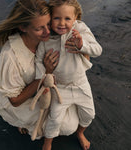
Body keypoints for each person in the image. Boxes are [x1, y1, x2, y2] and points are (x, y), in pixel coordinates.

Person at [0, 0, 80, 142]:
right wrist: (46, 74)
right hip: (19, 101)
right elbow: (15, 101)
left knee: (75, 111)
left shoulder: (49, 35)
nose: (48, 31)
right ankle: (19, 121)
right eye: (39, 28)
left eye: (48, 24)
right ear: (23, 27)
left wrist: (80, 47)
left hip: (43, 89)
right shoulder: (10, 57)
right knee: (68, 126)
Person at [35, 0, 102, 150]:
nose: (62, 23)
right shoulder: (46, 40)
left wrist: (82, 46)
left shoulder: (80, 30)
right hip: (60, 88)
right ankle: (48, 143)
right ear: (50, 18)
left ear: (76, 18)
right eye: (56, 18)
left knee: (89, 114)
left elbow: (98, 50)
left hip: (80, 83)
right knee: (55, 119)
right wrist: (44, 81)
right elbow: (38, 61)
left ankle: (80, 133)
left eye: (67, 18)